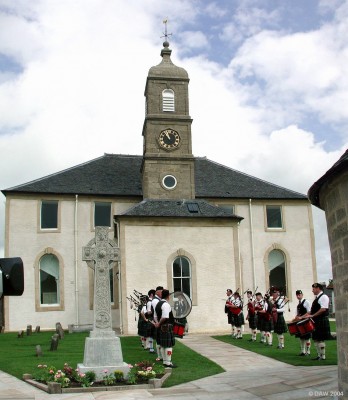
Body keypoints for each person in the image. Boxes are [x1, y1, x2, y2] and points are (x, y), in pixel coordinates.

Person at [305, 283, 331, 360]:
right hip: (317, 320)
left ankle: (323, 356)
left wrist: (313, 315)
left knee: (320, 339)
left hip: (321, 320)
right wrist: (304, 316)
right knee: (316, 338)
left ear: (318, 288)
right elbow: (313, 310)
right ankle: (319, 355)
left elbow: (323, 309)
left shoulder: (323, 297)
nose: (312, 290)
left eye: (313, 289)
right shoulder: (317, 297)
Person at [155, 289, 177, 368]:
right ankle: (168, 362)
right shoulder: (166, 305)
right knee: (168, 345)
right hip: (167, 327)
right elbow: (165, 317)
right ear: (168, 296)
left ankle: (165, 361)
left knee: (163, 345)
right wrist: (159, 323)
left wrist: (157, 323)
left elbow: (155, 316)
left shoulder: (158, 304)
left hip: (160, 327)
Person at [294, 289, 311, 356]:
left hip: (306, 321)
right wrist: (295, 319)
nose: (298, 296)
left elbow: (309, 312)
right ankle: (302, 351)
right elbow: (298, 313)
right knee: (301, 337)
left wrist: (301, 317)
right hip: (300, 322)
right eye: (297, 295)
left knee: (307, 337)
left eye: (299, 295)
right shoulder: (299, 303)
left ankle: (308, 351)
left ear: (302, 295)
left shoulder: (306, 302)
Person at [151, 286, 163, 360]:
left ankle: (161, 356)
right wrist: (158, 323)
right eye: (161, 292)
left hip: (158, 321)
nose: (162, 293)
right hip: (158, 322)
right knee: (159, 339)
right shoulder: (156, 301)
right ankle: (159, 356)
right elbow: (157, 312)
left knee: (160, 339)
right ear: (157, 292)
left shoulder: (158, 299)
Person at [145, 289, 156, 353]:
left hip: (151, 319)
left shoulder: (151, 301)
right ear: (152, 294)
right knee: (151, 335)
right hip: (151, 319)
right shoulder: (149, 302)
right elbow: (148, 312)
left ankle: (151, 348)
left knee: (151, 335)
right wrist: (155, 311)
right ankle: (151, 349)